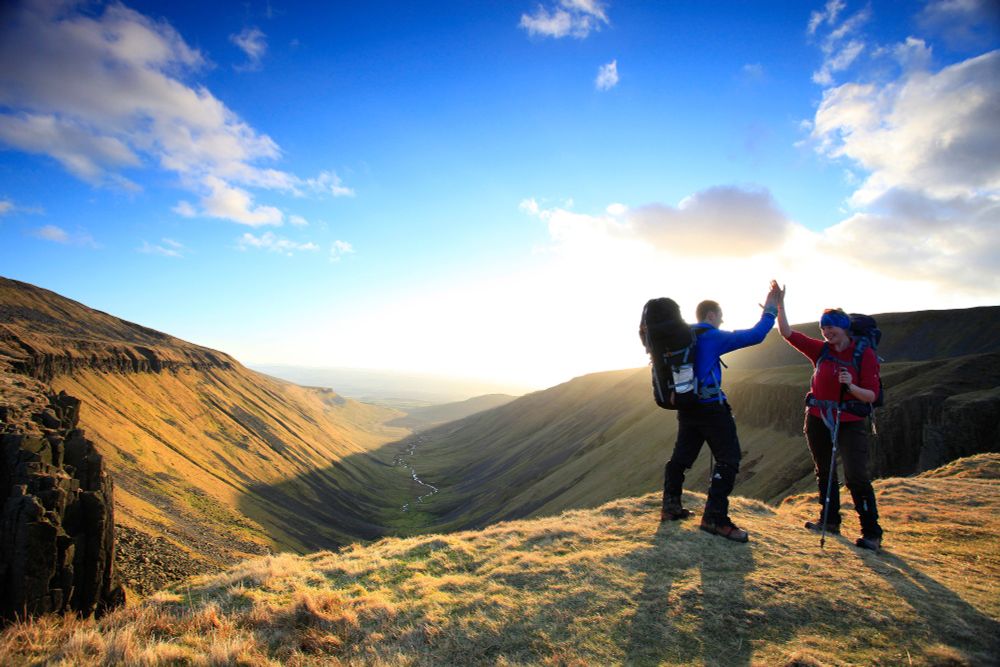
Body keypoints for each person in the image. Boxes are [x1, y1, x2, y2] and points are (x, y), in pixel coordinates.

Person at [661, 283, 782, 543]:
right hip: (711, 409)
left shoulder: (683, 338)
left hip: (687, 406)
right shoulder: (713, 336)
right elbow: (755, 335)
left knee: (681, 458)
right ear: (711, 315)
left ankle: (670, 507)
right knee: (729, 459)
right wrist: (771, 310)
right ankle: (715, 519)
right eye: (721, 314)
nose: (723, 319)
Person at [774, 286, 884, 550]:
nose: (826, 333)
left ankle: (872, 532)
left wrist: (851, 387)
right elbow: (787, 333)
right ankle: (829, 520)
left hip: (849, 421)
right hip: (818, 418)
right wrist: (780, 305)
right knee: (824, 471)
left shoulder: (863, 354)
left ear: (844, 327)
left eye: (831, 328)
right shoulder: (822, 350)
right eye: (823, 329)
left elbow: (871, 395)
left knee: (856, 475)